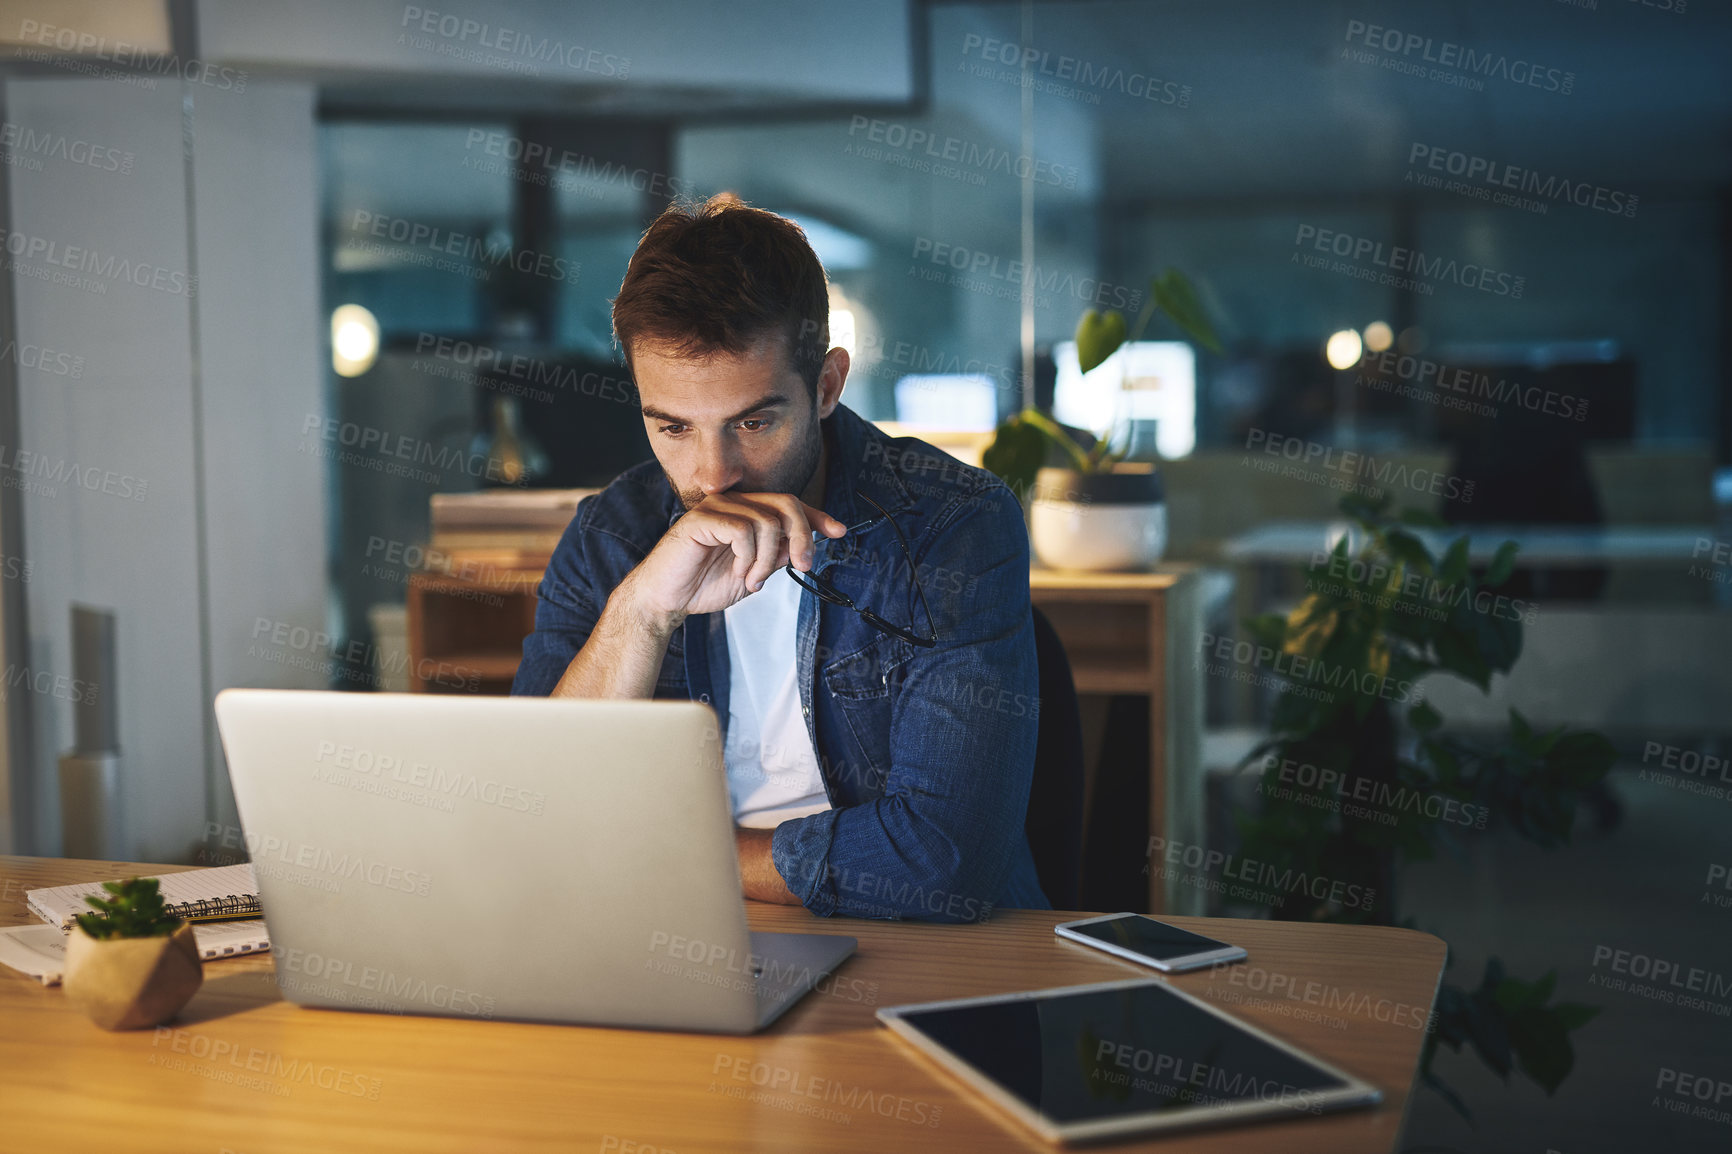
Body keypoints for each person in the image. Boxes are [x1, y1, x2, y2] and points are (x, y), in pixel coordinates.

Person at [511, 194, 1047, 922]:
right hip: (666, 927)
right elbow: (535, 813)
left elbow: (942, 863)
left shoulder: (953, 525)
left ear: (826, 386)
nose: (712, 475)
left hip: (905, 941)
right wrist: (641, 614)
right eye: (671, 426)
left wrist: (685, 855)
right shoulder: (612, 535)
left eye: (753, 422)